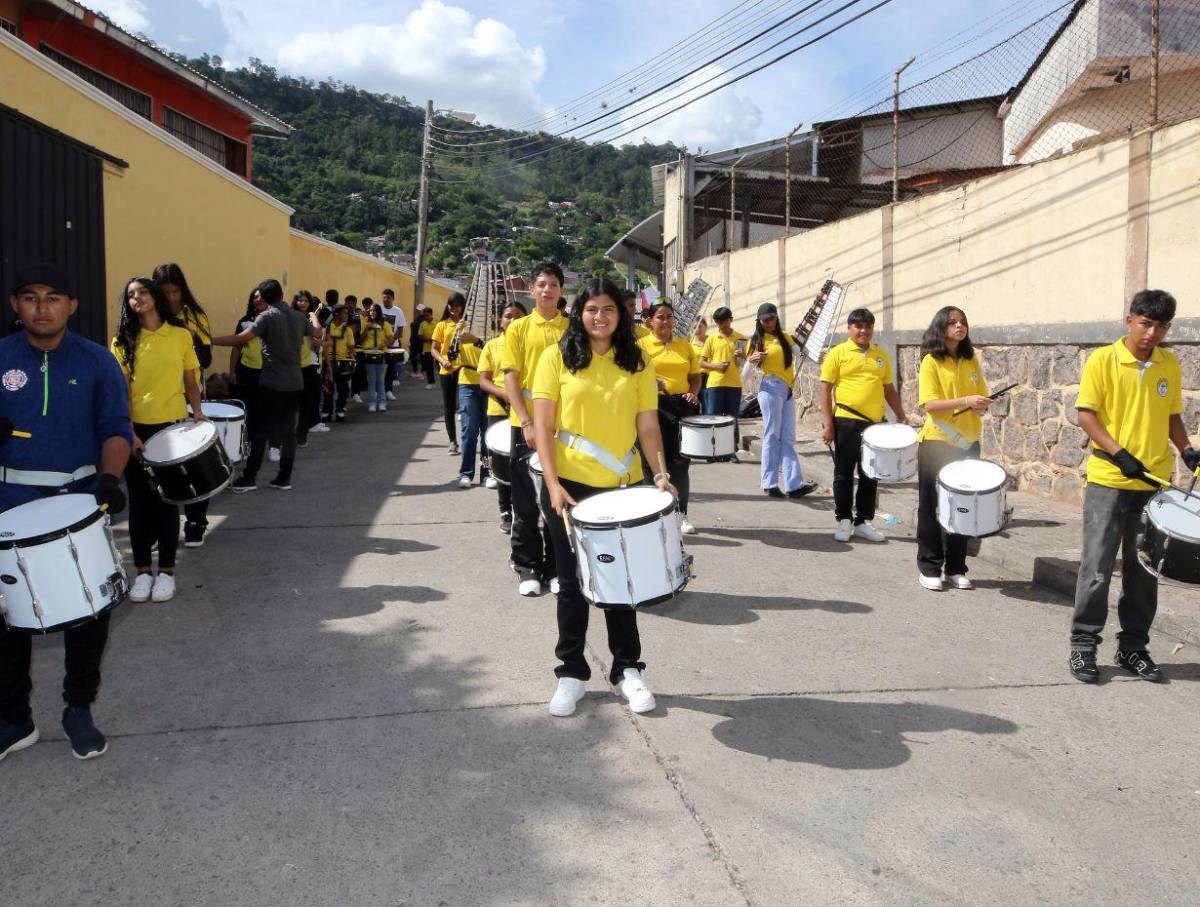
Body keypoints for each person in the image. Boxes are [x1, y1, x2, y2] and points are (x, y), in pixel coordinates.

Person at [0, 265, 131, 761]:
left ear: (71, 305)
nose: (41, 307)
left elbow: (115, 429)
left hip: (78, 501)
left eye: (53, 297)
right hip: (8, 503)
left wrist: (110, 479)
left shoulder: (98, 361)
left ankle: (78, 708)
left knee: (88, 613)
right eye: (30, 297)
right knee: (6, 616)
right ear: (16, 305)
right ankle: (14, 720)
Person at [533, 278, 673, 718]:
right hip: (569, 488)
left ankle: (627, 669)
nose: (600, 317)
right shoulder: (555, 357)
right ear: (579, 313)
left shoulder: (637, 360)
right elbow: (543, 428)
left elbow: (647, 425)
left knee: (622, 583)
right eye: (592, 309)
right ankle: (571, 672)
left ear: (621, 314)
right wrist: (552, 485)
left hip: (622, 487)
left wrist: (660, 472)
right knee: (571, 582)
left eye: (608, 308)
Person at [1069, 290, 1198, 684]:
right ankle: (1083, 645)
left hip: (1153, 484)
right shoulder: (1103, 360)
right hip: (1110, 479)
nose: (1151, 333)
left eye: (1160, 326)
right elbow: (1086, 415)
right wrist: (1119, 453)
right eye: (1145, 323)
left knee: (1144, 570)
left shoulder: (1168, 363)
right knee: (1097, 567)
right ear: (1130, 320)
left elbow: (1171, 415)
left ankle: (1133, 648)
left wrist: (1187, 450)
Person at [111, 277, 205, 604]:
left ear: (154, 297)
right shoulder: (122, 341)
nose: (137, 298)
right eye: (131, 295)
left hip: (172, 429)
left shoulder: (180, 335)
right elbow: (121, 391)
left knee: (167, 502)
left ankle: (166, 572)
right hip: (136, 431)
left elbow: (190, 380)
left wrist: (198, 413)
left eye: (143, 292)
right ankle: (142, 573)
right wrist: (129, 432)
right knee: (139, 504)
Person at [501, 262, 569, 597]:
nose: (547, 290)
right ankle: (526, 565)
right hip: (526, 427)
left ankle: (556, 567)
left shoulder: (572, 329)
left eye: (553, 284)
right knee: (526, 502)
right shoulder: (518, 328)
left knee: (557, 499)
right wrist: (526, 421)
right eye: (541, 284)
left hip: (563, 428)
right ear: (532, 290)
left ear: (561, 290)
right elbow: (510, 378)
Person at [914, 306, 990, 591]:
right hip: (937, 442)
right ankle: (929, 566)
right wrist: (967, 401)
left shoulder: (971, 361)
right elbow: (929, 404)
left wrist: (980, 405)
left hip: (968, 443)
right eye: (953, 322)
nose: (959, 326)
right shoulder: (931, 361)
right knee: (931, 506)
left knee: (964, 506)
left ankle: (956, 567)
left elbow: (979, 397)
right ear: (941, 327)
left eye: (963, 322)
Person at [213, 278, 313, 493]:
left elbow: (241, 339)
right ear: (282, 295)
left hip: (273, 384)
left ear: (265, 299)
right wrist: (314, 317)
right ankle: (284, 477)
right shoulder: (298, 316)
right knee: (288, 432)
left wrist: (210, 340)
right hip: (295, 382)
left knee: (260, 430)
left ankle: (249, 477)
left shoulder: (267, 317)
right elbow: (318, 333)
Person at [819, 308, 907, 543]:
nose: (863, 331)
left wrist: (901, 414)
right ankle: (843, 520)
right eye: (858, 326)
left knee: (870, 473)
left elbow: (888, 389)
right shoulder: (837, 353)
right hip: (846, 421)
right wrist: (828, 425)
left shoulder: (880, 355)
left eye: (868, 326)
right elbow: (825, 390)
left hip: (874, 425)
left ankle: (862, 522)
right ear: (849, 328)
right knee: (844, 472)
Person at [153, 262, 214, 549]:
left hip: (189, 398)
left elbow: (206, 358)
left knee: (192, 464)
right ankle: (160, 527)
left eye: (175, 291)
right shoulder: (148, 317)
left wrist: (182, 335)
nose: (171, 298)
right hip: (156, 401)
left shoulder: (194, 315)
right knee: (158, 468)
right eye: (164, 292)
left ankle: (196, 521)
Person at [638, 301, 701, 534]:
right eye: (660, 317)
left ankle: (681, 513)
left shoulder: (685, 346)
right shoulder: (641, 346)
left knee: (680, 463)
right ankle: (653, 516)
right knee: (652, 464)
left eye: (669, 316)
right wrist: (649, 382)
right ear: (650, 321)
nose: (666, 321)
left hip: (681, 407)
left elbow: (695, 376)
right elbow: (632, 375)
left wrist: (693, 393)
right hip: (652, 407)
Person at [746, 302, 816, 499]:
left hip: (787, 390)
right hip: (770, 388)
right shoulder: (756, 340)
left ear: (777, 318)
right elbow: (745, 374)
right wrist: (751, 360)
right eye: (764, 320)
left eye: (772, 318)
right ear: (759, 321)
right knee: (772, 435)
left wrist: (814, 352)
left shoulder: (785, 336)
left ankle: (794, 485)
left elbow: (801, 353)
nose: (768, 322)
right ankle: (769, 483)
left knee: (788, 437)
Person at [479, 301, 527, 532]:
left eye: (518, 316)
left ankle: (522, 508)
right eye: (508, 316)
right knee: (501, 463)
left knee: (523, 463)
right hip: (498, 410)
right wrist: (505, 394)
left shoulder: (530, 345)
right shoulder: (491, 346)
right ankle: (505, 510)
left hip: (526, 411)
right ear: (500, 321)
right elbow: (484, 380)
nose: (513, 320)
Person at [699, 306, 746, 461]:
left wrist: (743, 356)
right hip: (715, 384)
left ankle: (730, 451)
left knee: (731, 418)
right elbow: (702, 362)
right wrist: (716, 366)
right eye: (718, 322)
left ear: (730, 320)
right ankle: (712, 451)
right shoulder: (712, 339)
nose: (721, 325)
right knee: (714, 417)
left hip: (734, 384)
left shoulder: (740, 338)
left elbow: (743, 362)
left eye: (724, 322)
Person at [431, 294, 466, 454]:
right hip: (447, 369)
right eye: (451, 305)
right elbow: (434, 349)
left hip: (465, 369)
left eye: (457, 305)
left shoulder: (468, 323)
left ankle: (467, 440)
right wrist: (442, 361)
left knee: (465, 407)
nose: (453, 308)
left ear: (462, 306)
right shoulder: (442, 325)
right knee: (449, 407)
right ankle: (453, 441)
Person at [294, 291, 327, 444]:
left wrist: (313, 316)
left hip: (308, 365)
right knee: (290, 404)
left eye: (306, 301)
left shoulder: (311, 319)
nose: (303, 303)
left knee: (306, 403)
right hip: (292, 365)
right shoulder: (291, 317)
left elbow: (318, 334)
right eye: (300, 300)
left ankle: (301, 436)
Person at [230, 290, 265, 433]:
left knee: (262, 410)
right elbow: (236, 347)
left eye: (262, 297)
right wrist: (232, 371)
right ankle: (244, 439)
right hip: (246, 371)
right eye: (255, 297)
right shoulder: (244, 322)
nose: (258, 299)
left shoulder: (274, 320)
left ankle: (259, 439)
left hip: (267, 373)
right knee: (244, 408)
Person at [357, 301, 393, 413]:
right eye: (371, 311)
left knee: (380, 380)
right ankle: (372, 403)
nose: (372, 312)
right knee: (371, 380)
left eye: (374, 310)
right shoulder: (365, 322)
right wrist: (366, 329)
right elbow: (360, 340)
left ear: (378, 312)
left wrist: (381, 346)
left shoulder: (385, 324)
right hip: (368, 354)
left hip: (381, 354)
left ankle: (382, 403)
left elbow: (391, 339)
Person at [322, 305, 356, 423]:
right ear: (337, 314)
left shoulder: (348, 330)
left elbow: (351, 347)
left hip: (343, 362)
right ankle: (326, 412)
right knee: (327, 388)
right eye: (344, 313)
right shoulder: (327, 328)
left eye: (347, 313)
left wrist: (352, 357)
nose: (346, 315)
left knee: (343, 389)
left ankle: (340, 411)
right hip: (327, 361)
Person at [379, 288, 407, 396]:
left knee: (390, 369)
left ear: (393, 298)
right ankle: (378, 392)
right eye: (384, 297)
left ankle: (389, 391)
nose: (386, 299)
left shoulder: (398, 311)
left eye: (388, 298)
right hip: (378, 346)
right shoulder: (378, 309)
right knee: (379, 370)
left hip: (392, 346)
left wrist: (391, 340)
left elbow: (400, 330)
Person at [418, 307, 437, 387]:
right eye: (424, 316)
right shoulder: (422, 324)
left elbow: (440, 336)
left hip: (437, 348)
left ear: (431, 314)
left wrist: (433, 340)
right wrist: (430, 339)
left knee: (440, 366)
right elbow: (420, 336)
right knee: (429, 366)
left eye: (427, 315)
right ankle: (430, 382)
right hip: (427, 349)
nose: (426, 317)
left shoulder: (437, 323)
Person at [691, 317, 709, 395]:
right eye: (694, 327)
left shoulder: (712, 341)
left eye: (700, 326)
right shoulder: (691, 345)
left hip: (713, 376)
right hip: (698, 378)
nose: (697, 329)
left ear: (706, 326)